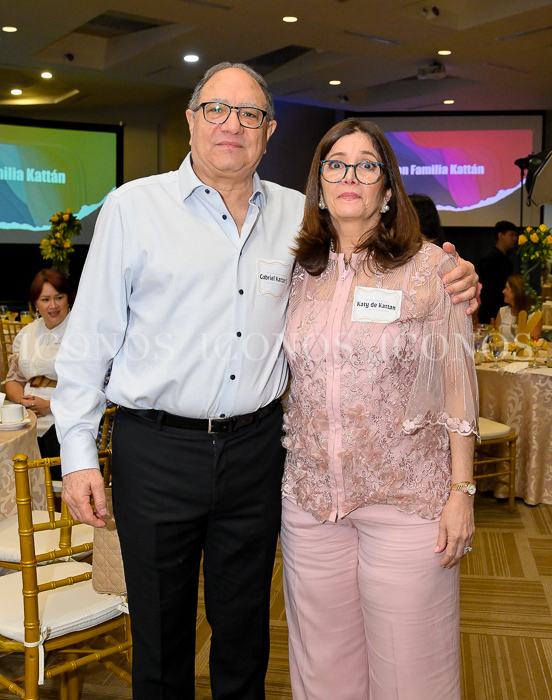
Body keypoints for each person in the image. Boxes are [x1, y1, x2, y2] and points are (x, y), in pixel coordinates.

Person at [51, 63, 479, 700]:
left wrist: (453, 274)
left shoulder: (296, 217)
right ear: (191, 120)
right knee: (162, 640)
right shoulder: (133, 209)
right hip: (157, 450)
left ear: (269, 131)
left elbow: (392, 284)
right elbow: (87, 341)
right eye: (216, 110)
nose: (232, 125)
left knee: (245, 634)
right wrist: (78, 455)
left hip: (256, 454)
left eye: (249, 114)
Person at [280, 119, 479, 700]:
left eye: (367, 165)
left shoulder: (430, 270)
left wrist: (462, 491)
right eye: (336, 164)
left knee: (410, 672)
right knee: (323, 670)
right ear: (320, 185)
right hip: (312, 505)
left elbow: (457, 387)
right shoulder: (298, 273)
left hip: (406, 502)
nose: (350, 175)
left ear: (387, 190)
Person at [6, 269, 74, 474]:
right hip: (28, 418)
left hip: (65, 419)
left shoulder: (80, 332)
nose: (53, 305)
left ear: (69, 298)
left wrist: (51, 406)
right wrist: (22, 401)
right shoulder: (27, 333)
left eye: (59, 298)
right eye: (45, 299)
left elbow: (91, 387)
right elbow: (13, 380)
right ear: (35, 304)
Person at [478, 220, 519, 323]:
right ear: (500, 235)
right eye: (511, 235)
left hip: (504, 308)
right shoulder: (489, 259)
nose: (515, 238)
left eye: (515, 235)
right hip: (491, 311)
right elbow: (488, 290)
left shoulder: (507, 258)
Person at [495, 273, 541, 342]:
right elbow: (496, 339)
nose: (503, 291)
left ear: (515, 292)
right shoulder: (502, 312)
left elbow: (534, 343)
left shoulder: (534, 315)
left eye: (506, 288)